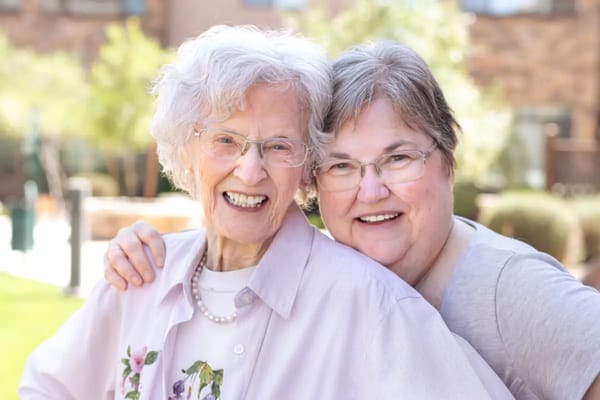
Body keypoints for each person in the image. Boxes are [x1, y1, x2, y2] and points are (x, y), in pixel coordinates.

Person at [19, 26, 511, 399]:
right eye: (225, 141)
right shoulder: (141, 275)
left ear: (306, 168)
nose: (250, 171)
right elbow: (47, 388)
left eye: (278, 146)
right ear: (183, 151)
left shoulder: (370, 306)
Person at [104, 38, 600, 400]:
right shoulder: (332, 279)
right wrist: (153, 251)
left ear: (448, 162)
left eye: (398, 158)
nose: (370, 190)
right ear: (313, 182)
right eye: (342, 166)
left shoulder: (510, 291)